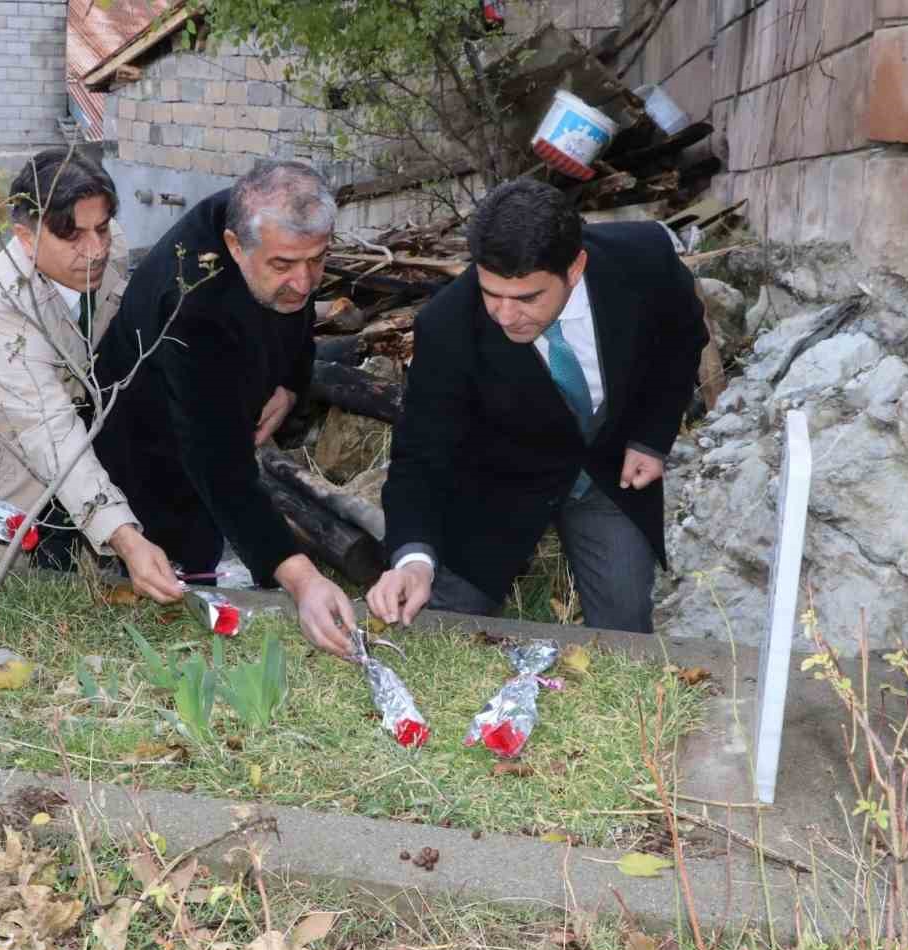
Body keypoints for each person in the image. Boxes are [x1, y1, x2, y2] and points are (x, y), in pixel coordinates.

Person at [368, 178, 707, 634]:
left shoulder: (643, 258)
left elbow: (683, 338)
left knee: (626, 632)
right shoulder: (446, 326)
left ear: (575, 268)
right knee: (435, 627)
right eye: (492, 294)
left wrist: (653, 436)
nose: (505, 316)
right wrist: (413, 559)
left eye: (527, 298)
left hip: (608, 477)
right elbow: (420, 456)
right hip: (495, 489)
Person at [0, 150, 182, 603]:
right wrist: (127, 539)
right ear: (25, 237)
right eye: (73, 236)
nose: (96, 249)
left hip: (54, 487)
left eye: (101, 228)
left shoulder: (109, 249)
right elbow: (49, 431)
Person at [92, 159, 356, 656]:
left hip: (216, 407)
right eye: (283, 266)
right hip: (145, 443)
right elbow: (218, 465)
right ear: (235, 246)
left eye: (317, 260)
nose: (304, 281)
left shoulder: (268, 229)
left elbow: (296, 312)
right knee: (177, 570)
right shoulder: (191, 301)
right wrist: (300, 577)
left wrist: (291, 383)